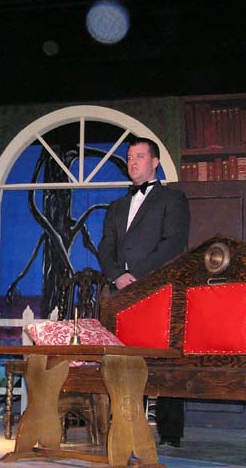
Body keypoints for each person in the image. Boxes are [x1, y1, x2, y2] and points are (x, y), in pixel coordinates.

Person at [97, 136, 190, 447]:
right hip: (121, 295)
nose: (132, 162)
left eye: (139, 156)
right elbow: (105, 247)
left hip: (158, 291)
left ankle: (170, 434)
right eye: (129, 157)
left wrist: (137, 276)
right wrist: (117, 276)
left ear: (155, 163)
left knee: (165, 361)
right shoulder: (116, 206)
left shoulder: (173, 200)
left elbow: (173, 244)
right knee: (124, 361)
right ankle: (125, 425)